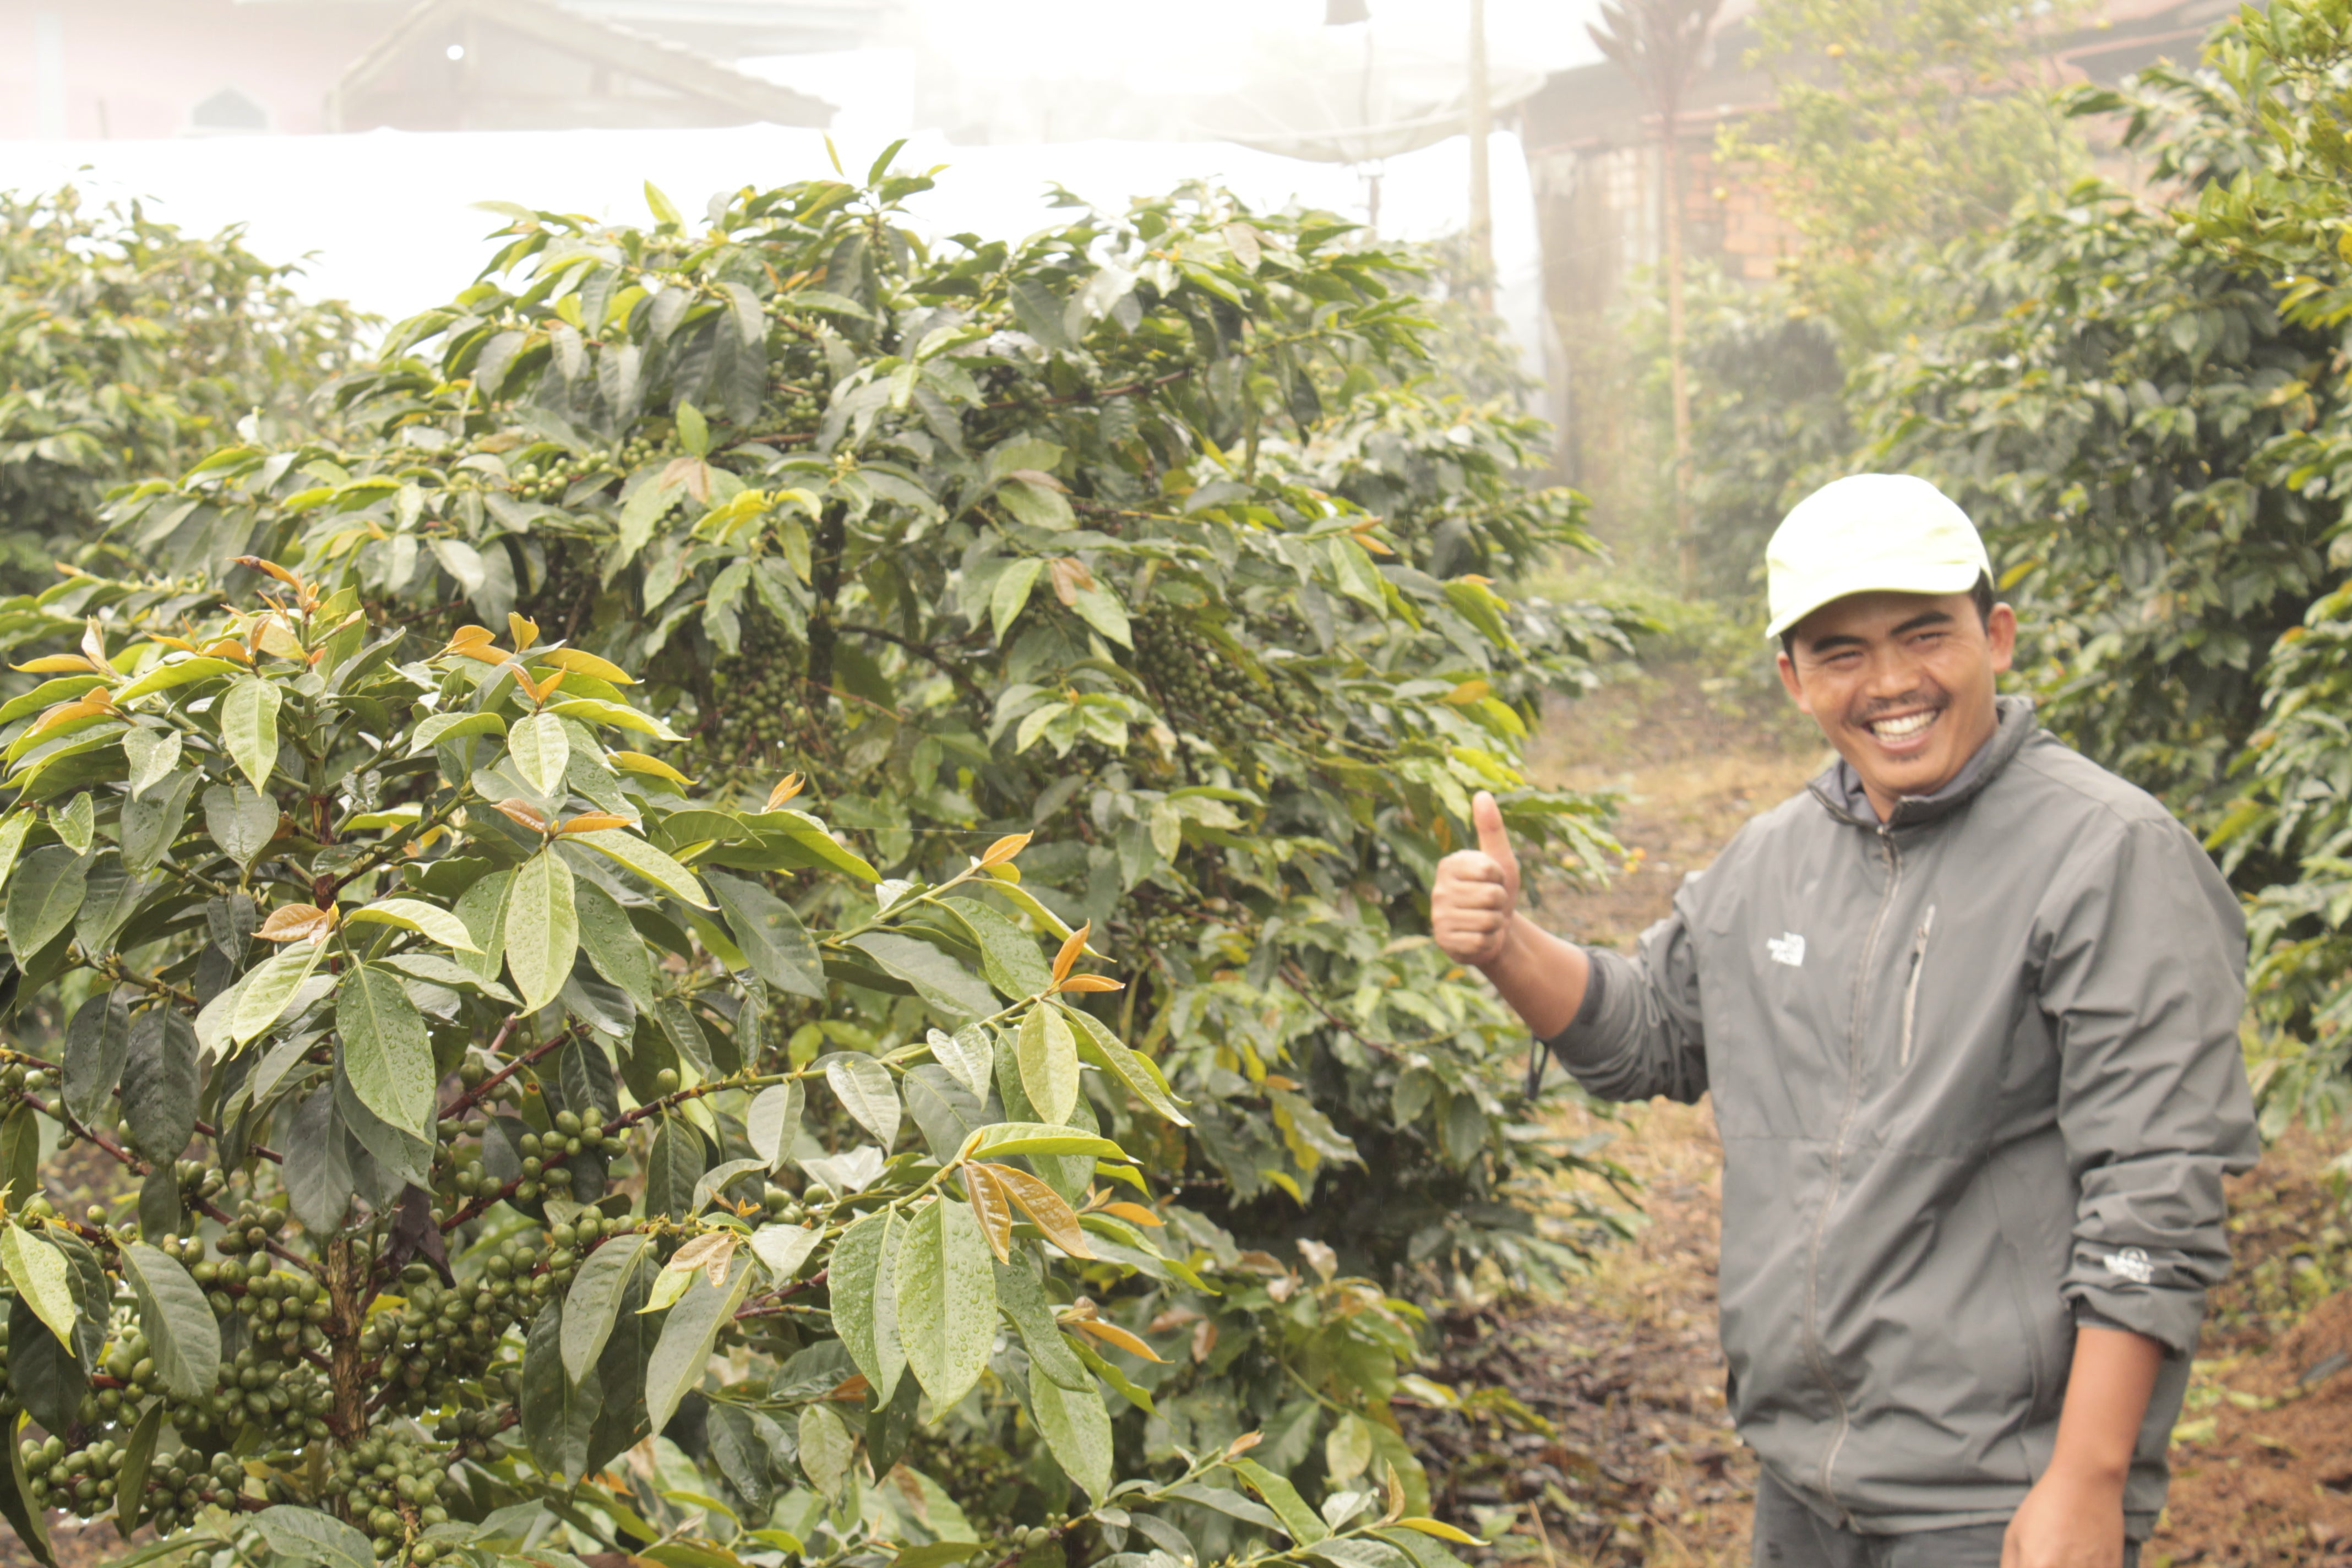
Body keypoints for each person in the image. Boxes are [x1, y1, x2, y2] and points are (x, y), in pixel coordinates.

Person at [1431, 475, 2258, 1568]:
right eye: (1842, 651)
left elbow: (2154, 1197)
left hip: (1996, 1497)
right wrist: (1506, 944)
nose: (1893, 681)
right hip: (1805, 1482)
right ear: (1793, 677)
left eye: (1926, 634)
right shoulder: (1777, 856)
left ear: (1996, 636)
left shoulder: (2107, 854)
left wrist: (2086, 1478)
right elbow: (1649, 1030)